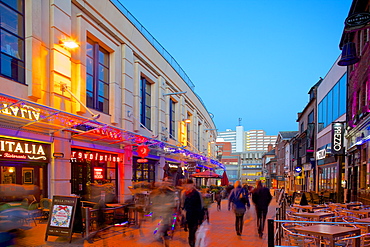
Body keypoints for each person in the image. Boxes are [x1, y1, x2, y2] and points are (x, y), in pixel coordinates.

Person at [182, 179, 204, 247]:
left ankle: (192, 242)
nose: (188, 186)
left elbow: (201, 205)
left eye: (189, 184)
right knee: (190, 229)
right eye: (187, 185)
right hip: (189, 214)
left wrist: (201, 217)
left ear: (192, 185)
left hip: (196, 214)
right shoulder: (185, 193)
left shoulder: (196, 193)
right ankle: (191, 241)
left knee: (193, 229)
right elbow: (184, 204)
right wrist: (183, 210)